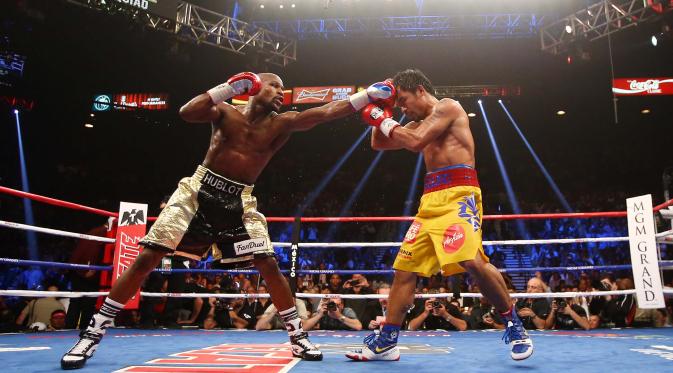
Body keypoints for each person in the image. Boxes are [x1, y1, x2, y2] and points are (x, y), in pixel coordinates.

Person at [61, 72, 395, 369]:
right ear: (253, 88)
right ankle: (92, 333)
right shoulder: (226, 112)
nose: (281, 92)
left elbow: (323, 113)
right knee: (148, 257)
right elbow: (187, 112)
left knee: (267, 263)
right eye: (274, 85)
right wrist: (227, 88)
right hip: (197, 191)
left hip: (240, 199)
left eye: (284, 88)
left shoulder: (282, 123)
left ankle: (296, 336)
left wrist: (368, 95)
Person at [346, 68, 533, 362]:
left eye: (404, 100)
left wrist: (383, 118)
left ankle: (514, 325)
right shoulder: (415, 123)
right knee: (404, 270)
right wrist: (385, 109)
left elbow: (417, 140)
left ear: (420, 90)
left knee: (471, 260)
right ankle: (386, 341)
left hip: (460, 195)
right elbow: (379, 143)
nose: (404, 108)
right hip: (430, 201)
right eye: (400, 105)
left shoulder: (448, 107)